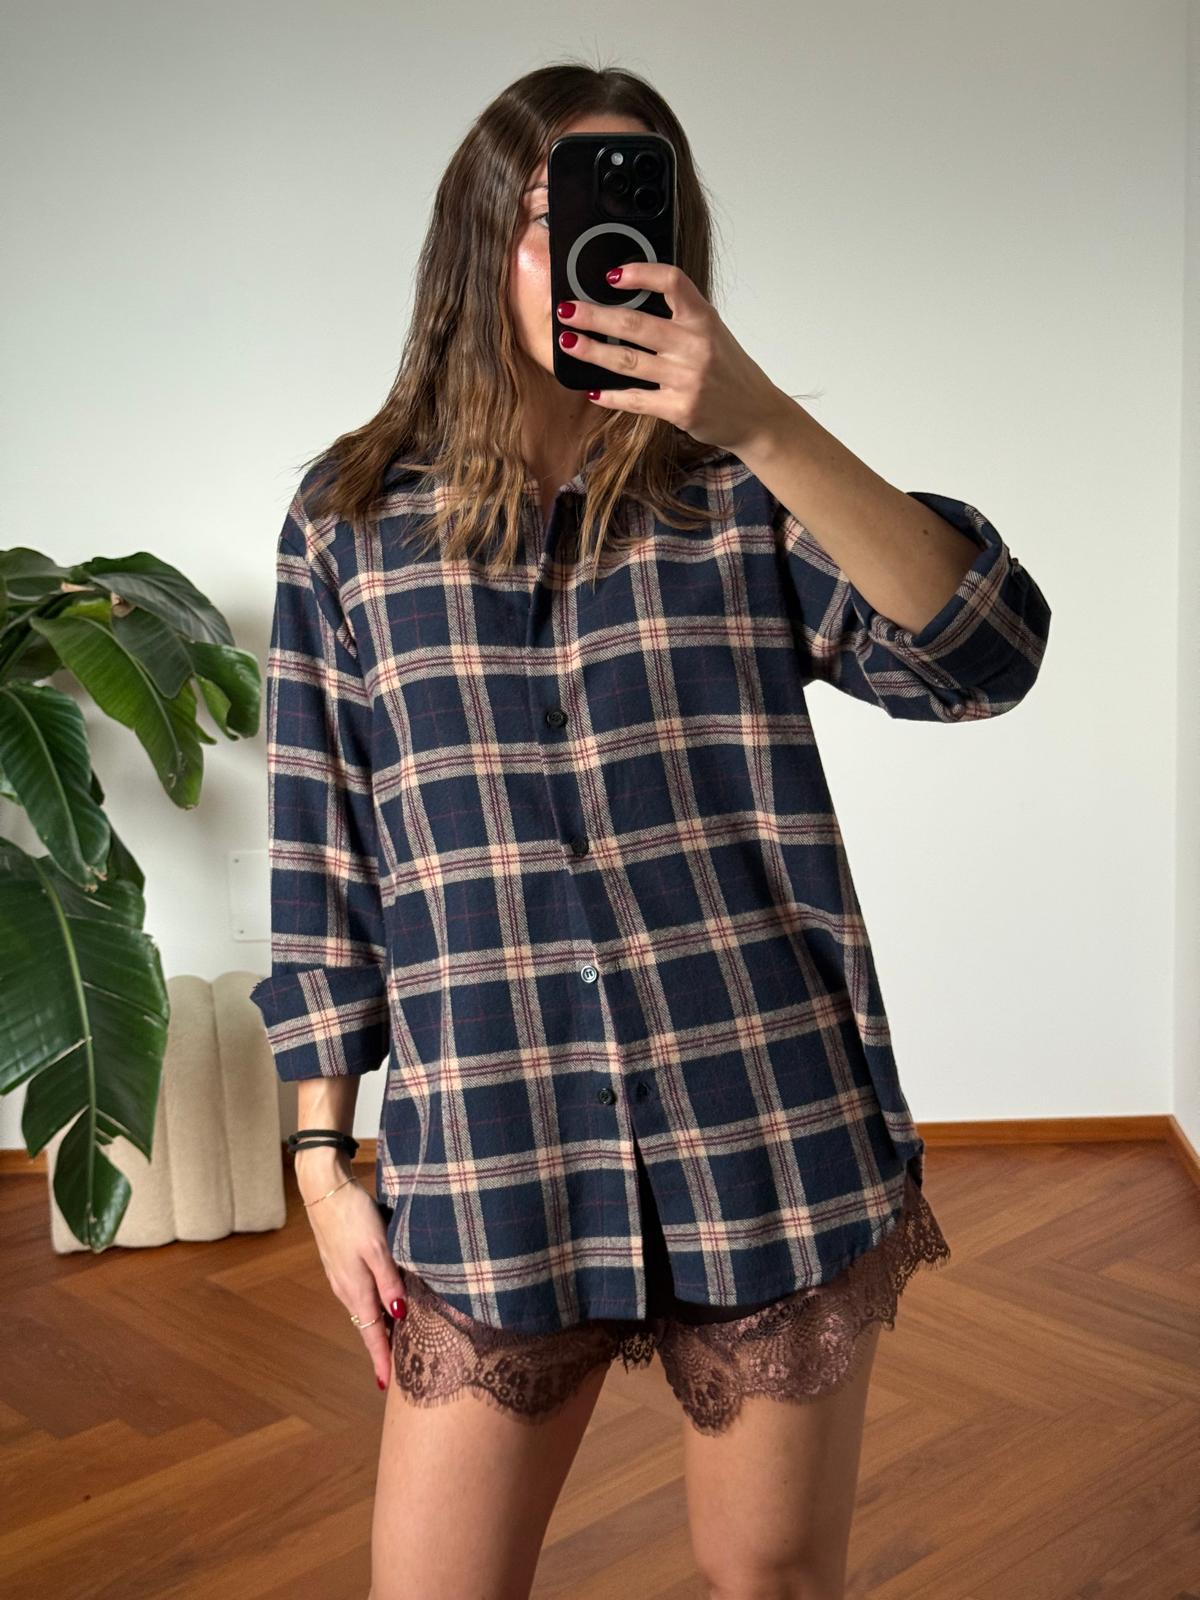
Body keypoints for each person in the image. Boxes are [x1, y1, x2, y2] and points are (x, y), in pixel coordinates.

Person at [249, 60, 1051, 1600]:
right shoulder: (347, 522)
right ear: (482, 239)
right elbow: (321, 855)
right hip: (492, 1146)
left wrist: (765, 420)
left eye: (642, 215)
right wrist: (319, 1161)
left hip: (764, 1121)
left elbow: (982, 658)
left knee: (772, 1578)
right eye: (558, 218)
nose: (607, 254)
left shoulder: (744, 491)